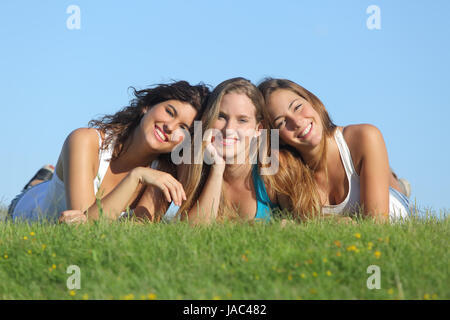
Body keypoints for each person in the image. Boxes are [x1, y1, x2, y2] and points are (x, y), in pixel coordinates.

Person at [8, 81, 210, 223]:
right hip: (29, 210)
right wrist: (136, 176)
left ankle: (48, 177)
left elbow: (138, 232)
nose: (170, 127)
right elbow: (85, 228)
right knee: (40, 190)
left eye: (183, 128)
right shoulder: (85, 140)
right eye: (169, 112)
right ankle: (38, 182)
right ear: (147, 106)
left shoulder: (163, 175)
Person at [258, 78, 412, 223]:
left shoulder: (365, 136)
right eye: (281, 122)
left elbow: (376, 225)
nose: (297, 122)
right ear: (278, 138)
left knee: (377, 168)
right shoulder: (285, 170)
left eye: (298, 107)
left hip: (393, 199)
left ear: (311, 101)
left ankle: (397, 183)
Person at [160, 77, 287, 224]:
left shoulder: (273, 171)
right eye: (221, 116)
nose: (229, 129)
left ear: (259, 129)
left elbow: (302, 223)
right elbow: (194, 233)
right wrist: (217, 168)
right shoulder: (192, 167)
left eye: (242, 120)